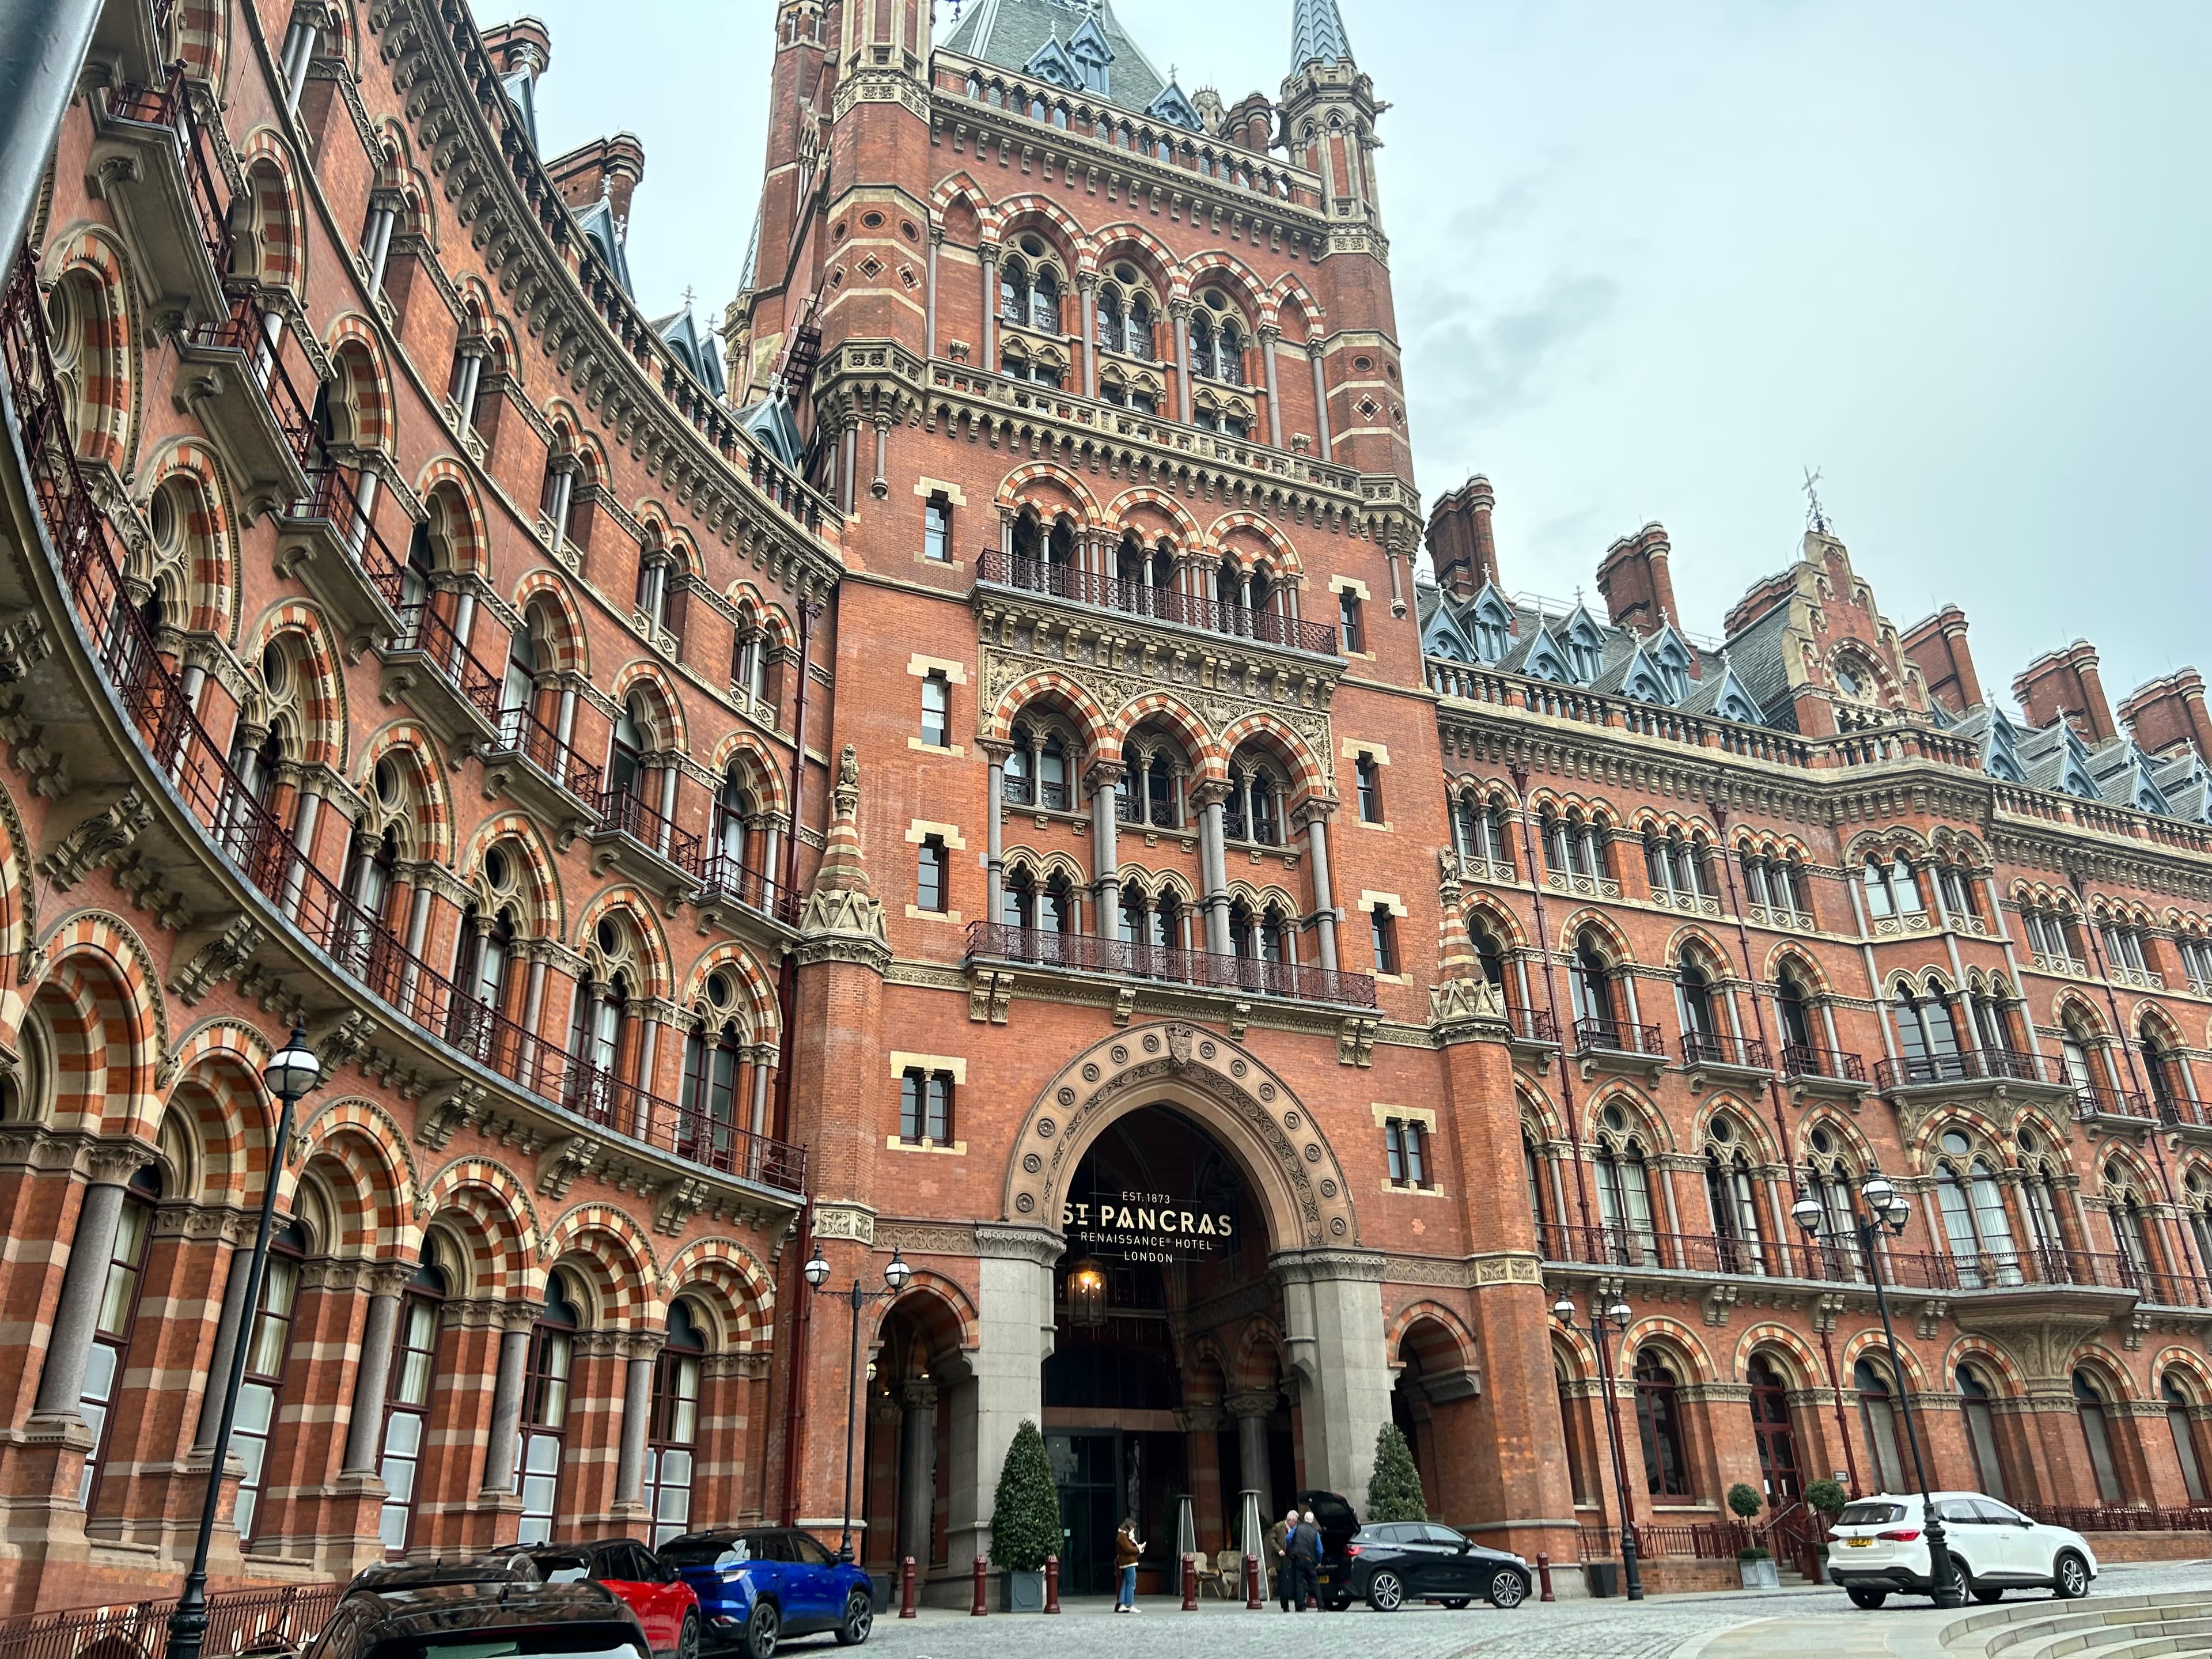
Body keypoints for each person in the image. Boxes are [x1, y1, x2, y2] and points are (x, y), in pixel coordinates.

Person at [1288, 1507, 1322, 1611]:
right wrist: (1318, 1561)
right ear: (1312, 1521)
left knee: (1299, 1583)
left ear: (1304, 1519)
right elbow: (1320, 1550)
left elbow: (1288, 1538)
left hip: (1298, 1559)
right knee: (1315, 1584)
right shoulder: (1315, 1532)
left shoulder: (1297, 1527)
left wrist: (1292, 1548)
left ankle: (1301, 1607)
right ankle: (1321, 1606)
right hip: (1310, 1561)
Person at [1268, 1508, 1300, 1611]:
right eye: (1294, 1522)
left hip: (1292, 1558)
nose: (1295, 1524)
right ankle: (1285, 1606)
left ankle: (1297, 1603)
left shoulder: (1296, 1528)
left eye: (1296, 1522)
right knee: (1283, 1582)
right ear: (1289, 1520)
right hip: (1281, 1559)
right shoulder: (1278, 1526)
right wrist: (1279, 1550)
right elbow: (1271, 1539)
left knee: (1294, 1580)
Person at [1114, 1513, 1144, 1612]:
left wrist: (1137, 1546)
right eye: (1133, 1528)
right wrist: (1138, 1549)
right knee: (1131, 1584)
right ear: (1130, 1527)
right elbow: (1128, 1549)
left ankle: (1123, 1604)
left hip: (1128, 1562)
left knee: (1126, 1583)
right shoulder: (1122, 1536)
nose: (1134, 1530)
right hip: (1128, 1563)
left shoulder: (1125, 1536)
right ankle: (1130, 1604)